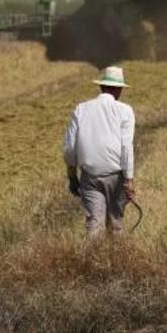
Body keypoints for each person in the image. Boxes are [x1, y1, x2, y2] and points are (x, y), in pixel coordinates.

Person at [63, 66, 136, 237]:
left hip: (90, 177)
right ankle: (115, 260)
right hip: (116, 176)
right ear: (119, 90)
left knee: (94, 225)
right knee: (115, 225)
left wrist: (72, 175)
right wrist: (129, 179)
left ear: (101, 87)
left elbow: (70, 147)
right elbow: (126, 147)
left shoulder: (81, 109)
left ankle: (93, 261)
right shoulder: (125, 111)